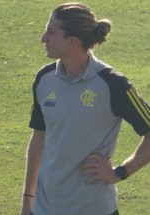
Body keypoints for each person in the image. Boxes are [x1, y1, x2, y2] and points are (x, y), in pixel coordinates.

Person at [21, 2, 150, 215]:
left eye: (51, 32)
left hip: (94, 209)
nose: (44, 38)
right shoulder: (44, 79)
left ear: (72, 41)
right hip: (45, 208)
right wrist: (28, 201)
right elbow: (38, 142)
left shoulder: (112, 84)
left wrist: (120, 172)